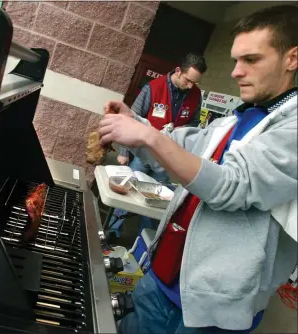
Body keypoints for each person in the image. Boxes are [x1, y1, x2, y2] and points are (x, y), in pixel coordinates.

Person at [98, 4, 297, 333]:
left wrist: (147, 136)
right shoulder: (243, 116)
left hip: (211, 312)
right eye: (235, 60)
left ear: (292, 59)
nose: (235, 71)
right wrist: (136, 123)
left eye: (251, 60)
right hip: (161, 278)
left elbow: (231, 185)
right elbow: (184, 142)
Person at [109, 53, 207, 238]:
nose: (191, 86)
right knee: (128, 190)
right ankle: (114, 230)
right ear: (178, 71)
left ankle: (146, 237)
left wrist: (179, 129)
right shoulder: (153, 88)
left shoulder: (195, 95)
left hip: (167, 157)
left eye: (195, 82)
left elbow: (194, 123)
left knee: (158, 199)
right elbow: (130, 118)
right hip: (142, 154)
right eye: (188, 80)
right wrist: (123, 152)